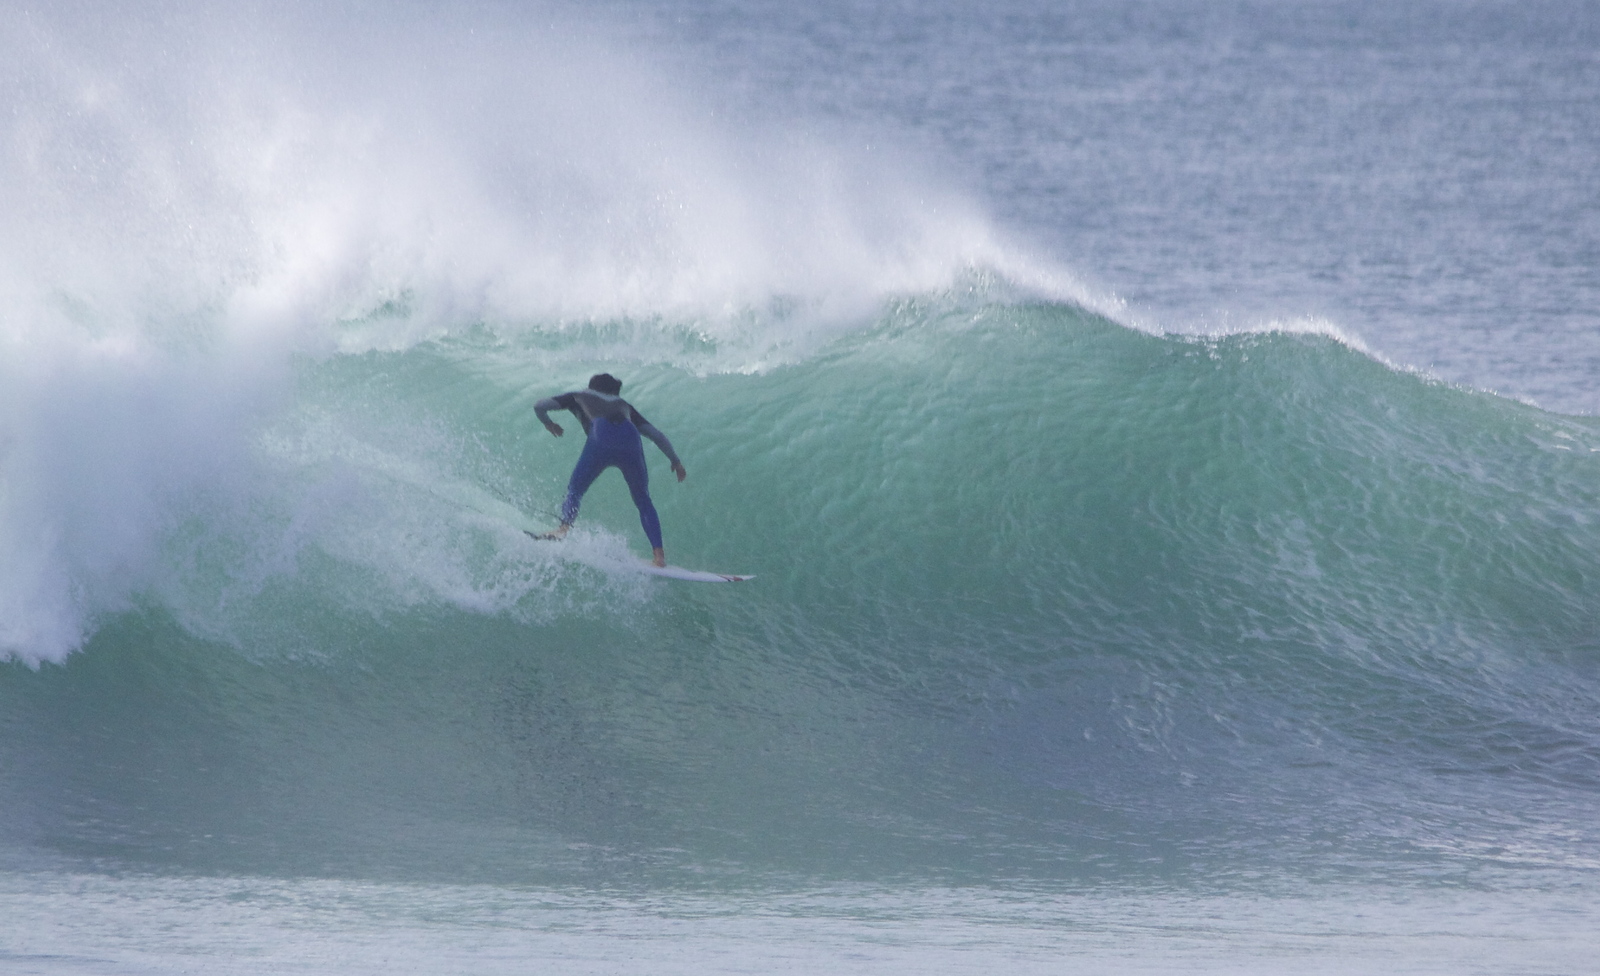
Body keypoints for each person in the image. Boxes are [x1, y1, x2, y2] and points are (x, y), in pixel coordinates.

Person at [533, 373, 686, 567]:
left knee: (575, 490)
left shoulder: (578, 396)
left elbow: (539, 406)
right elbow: (656, 435)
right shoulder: (625, 406)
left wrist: (548, 423)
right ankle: (659, 556)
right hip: (631, 441)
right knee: (643, 500)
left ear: (591, 387)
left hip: (601, 437)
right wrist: (676, 461)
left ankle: (563, 529)